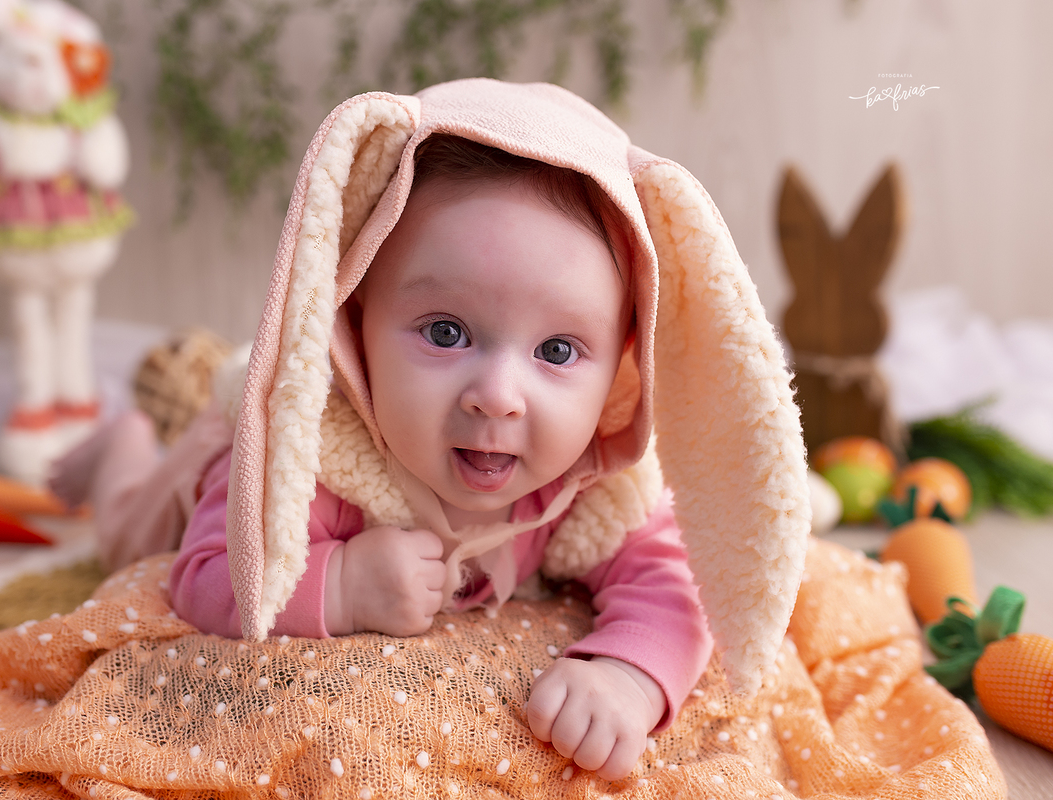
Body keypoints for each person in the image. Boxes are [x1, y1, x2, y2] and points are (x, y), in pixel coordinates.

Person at [167, 134, 712, 781]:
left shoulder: (596, 485)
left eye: (558, 350)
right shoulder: (309, 455)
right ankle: (118, 449)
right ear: (356, 321)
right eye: (446, 333)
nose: (498, 398)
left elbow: (681, 586)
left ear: (622, 365)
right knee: (130, 497)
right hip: (179, 482)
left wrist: (628, 677)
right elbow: (203, 576)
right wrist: (341, 584)